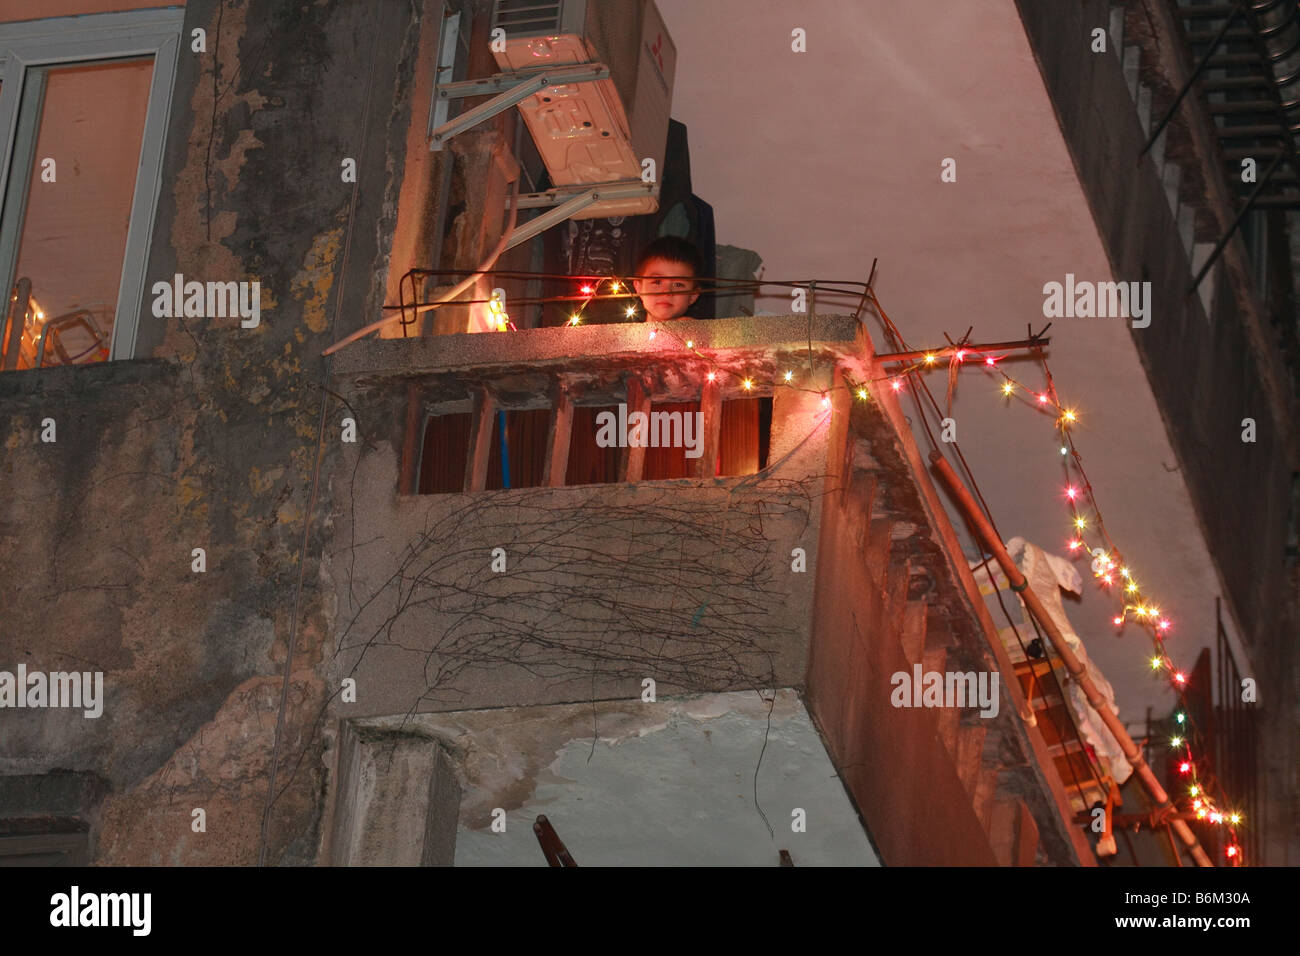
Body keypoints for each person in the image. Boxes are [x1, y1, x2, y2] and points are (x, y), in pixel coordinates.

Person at [631, 236, 705, 322]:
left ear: (693, 296)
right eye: (657, 282)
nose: (667, 292)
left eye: (678, 284)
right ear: (639, 288)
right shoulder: (623, 333)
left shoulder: (700, 332)